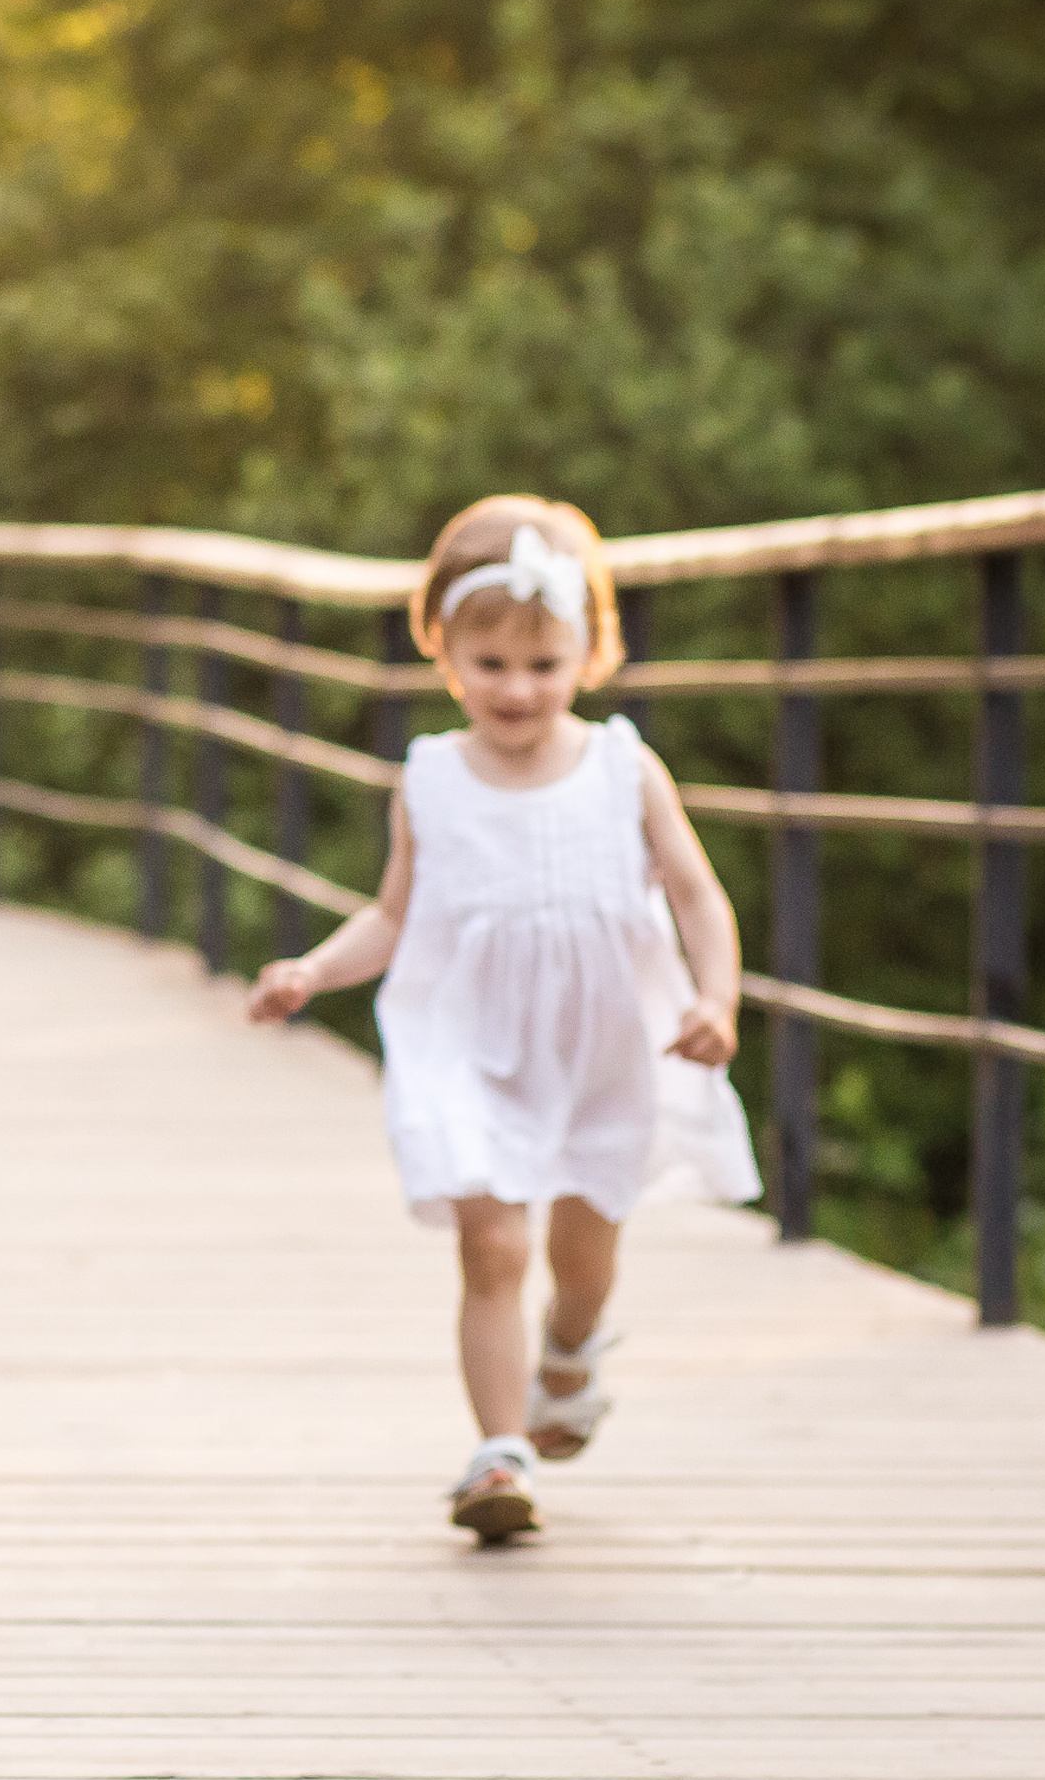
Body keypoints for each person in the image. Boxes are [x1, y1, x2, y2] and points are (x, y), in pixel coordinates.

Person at [249, 495, 760, 1543]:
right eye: (488, 664)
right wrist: (311, 968)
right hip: (471, 1044)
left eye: (541, 665)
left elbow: (699, 895)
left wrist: (716, 998)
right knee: (491, 1242)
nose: (515, 689)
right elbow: (394, 914)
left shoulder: (623, 766)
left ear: (589, 652)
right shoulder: (430, 777)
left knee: (581, 1249)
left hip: (603, 1046)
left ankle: (569, 1347)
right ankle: (500, 1451)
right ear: (444, 653)